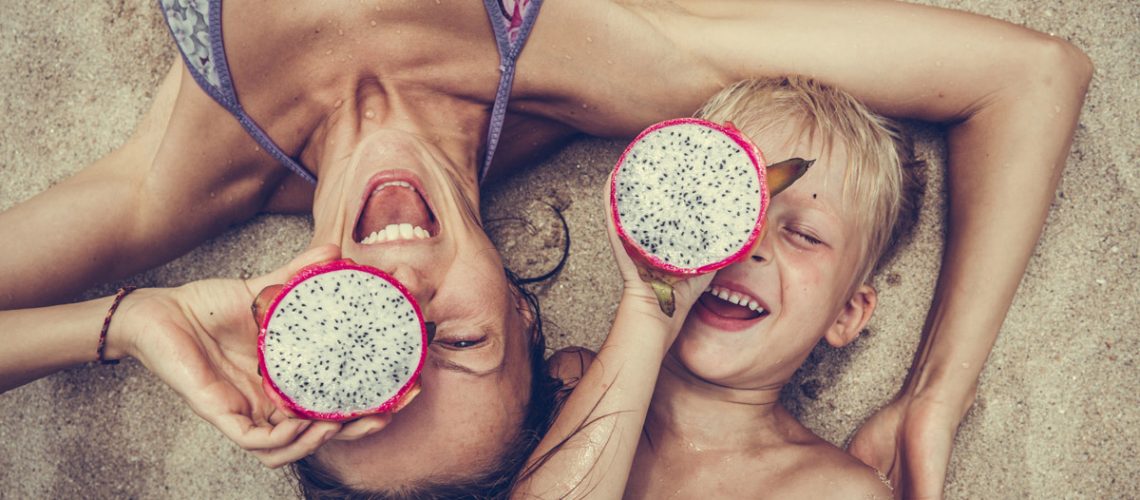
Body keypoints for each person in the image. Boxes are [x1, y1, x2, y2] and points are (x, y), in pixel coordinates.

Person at [0, 0, 1092, 497]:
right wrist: (937, 392)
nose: (398, 284)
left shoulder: (175, 182)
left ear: (295, 333)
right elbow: (1032, 76)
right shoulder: (615, 63)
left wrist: (121, 322)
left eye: (364, 347)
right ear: (527, 314)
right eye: (458, 338)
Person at [514, 76, 917, 498]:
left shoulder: (839, 490)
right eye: (724, 207)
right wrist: (649, 309)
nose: (748, 243)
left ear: (846, 314)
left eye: (804, 234)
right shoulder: (573, 380)